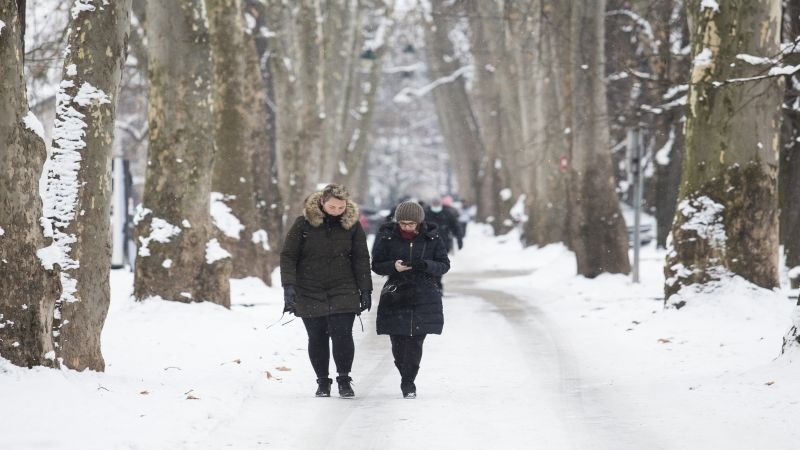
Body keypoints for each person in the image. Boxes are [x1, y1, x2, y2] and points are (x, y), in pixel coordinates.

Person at [280, 184, 372, 398]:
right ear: (322, 202)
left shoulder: (352, 226)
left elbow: (361, 258)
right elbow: (288, 256)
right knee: (317, 336)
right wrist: (289, 286)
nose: (337, 211)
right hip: (309, 287)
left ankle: (344, 379)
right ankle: (322, 381)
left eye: (341, 207)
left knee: (342, 334)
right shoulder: (303, 224)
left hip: (344, 287)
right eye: (332, 207)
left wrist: (365, 289)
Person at [371, 201, 450, 398]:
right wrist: (393, 266)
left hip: (424, 293)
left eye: (411, 223)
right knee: (398, 342)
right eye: (403, 223)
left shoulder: (432, 237)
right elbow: (377, 265)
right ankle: (404, 373)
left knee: (415, 342)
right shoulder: (387, 236)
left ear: (419, 222)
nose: (407, 227)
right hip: (396, 293)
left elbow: (444, 265)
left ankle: (409, 382)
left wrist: (425, 265)